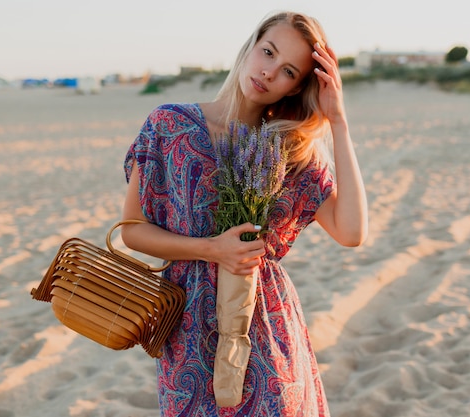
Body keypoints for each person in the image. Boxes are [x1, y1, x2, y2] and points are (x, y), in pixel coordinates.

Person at [121, 10, 368, 417]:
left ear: (297, 86)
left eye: (288, 70)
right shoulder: (169, 124)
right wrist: (210, 249)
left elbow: (352, 231)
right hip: (188, 326)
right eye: (267, 52)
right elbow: (132, 230)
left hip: (267, 326)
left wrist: (338, 120)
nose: (269, 72)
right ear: (251, 45)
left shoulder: (291, 148)